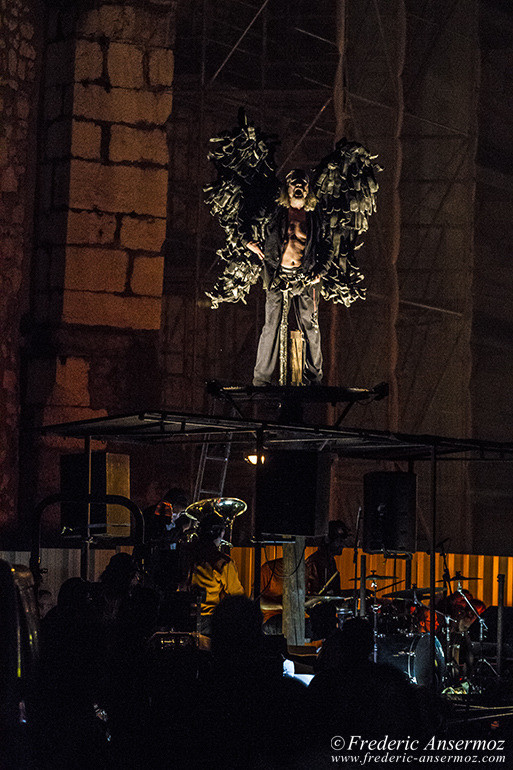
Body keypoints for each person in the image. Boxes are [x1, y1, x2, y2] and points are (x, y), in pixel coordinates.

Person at [247, 169, 332, 386]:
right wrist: (246, 241)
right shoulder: (276, 212)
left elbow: (329, 246)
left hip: (306, 279)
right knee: (271, 326)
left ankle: (314, 380)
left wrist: (319, 272)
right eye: (295, 183)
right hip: (277, 276)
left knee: (310, 326)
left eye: (302, 183)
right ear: (288, 187)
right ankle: (261, 380)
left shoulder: (315, 216)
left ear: (307, 188)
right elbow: (246, 216)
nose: (299, 187)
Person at [188, 513, 244, 634]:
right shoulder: (222, 562)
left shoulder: (184, 552)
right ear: (219, 533)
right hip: (206, 620)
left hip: (179, 615)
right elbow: (237, 596)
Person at [305, 519, 349, 596]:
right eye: (340, 541)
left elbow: (334, 592)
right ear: (328, 540)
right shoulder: (314, 562)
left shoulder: (330, 561)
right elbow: (313, 595)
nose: (343, 545)